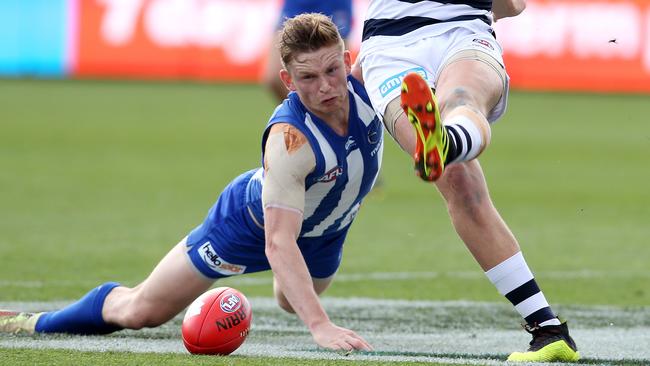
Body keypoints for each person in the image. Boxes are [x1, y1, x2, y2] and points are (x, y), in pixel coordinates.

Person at [0, 13, 379, 353]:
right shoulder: (289, 142)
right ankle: (27, 321)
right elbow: (278, 242)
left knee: (289, 298)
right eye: (308, 77)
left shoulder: (371, 87)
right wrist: (320, 325)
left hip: (326, 231)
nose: (325, 86)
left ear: (348, 61)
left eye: (331, 70)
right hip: (247, 225)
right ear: (288, 81)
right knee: (141, 311)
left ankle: (292, 284)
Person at [351, 0, 579, 362]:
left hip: (461, 29)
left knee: (461, 99)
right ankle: (549, 330)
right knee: (459, 181)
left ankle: (446, 141)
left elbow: (512, 6)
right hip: (389, 45)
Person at [263, 0, 354, 102]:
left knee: (338, 72)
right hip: (297, 5)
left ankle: (337, 114)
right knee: (274, 78)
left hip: (333, 4)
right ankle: (304, 114)